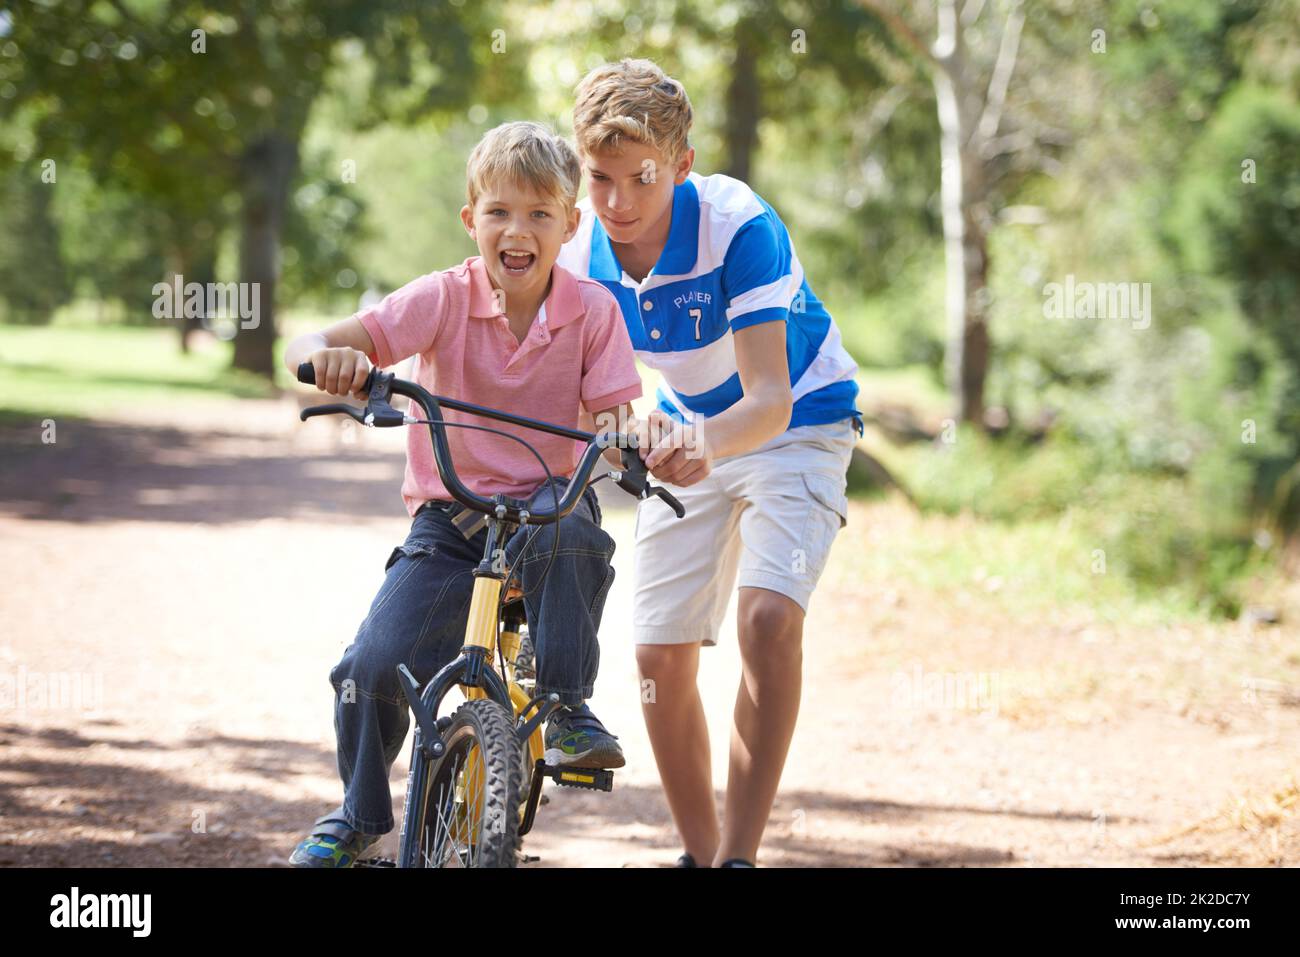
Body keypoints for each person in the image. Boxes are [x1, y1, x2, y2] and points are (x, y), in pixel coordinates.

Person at [283, 121, 642, 867]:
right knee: (372, 666)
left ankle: (568, 705)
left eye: (541, 214)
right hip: (451, 519)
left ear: (570, 226)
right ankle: (359, 813)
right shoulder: (441, 298)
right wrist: (335, 358)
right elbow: (316, 342)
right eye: (500, 212)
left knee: (575, 533)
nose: (519, 230)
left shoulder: (593, 311)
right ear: (470, 220)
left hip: (548, 507)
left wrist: (622, 433)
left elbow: (612, 411)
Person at [558, 58, 864, 868]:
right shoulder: (583, 246)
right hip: (690, 424)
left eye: (640, 179)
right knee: (659, 653)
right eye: (599, 179)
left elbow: (768, 400)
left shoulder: (740, 226)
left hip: (801, 420)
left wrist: (697, 442)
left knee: (767, 618)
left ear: (682, 164)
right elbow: (589, 388)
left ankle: (739, 856)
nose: (618, 203)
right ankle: (700, 857)